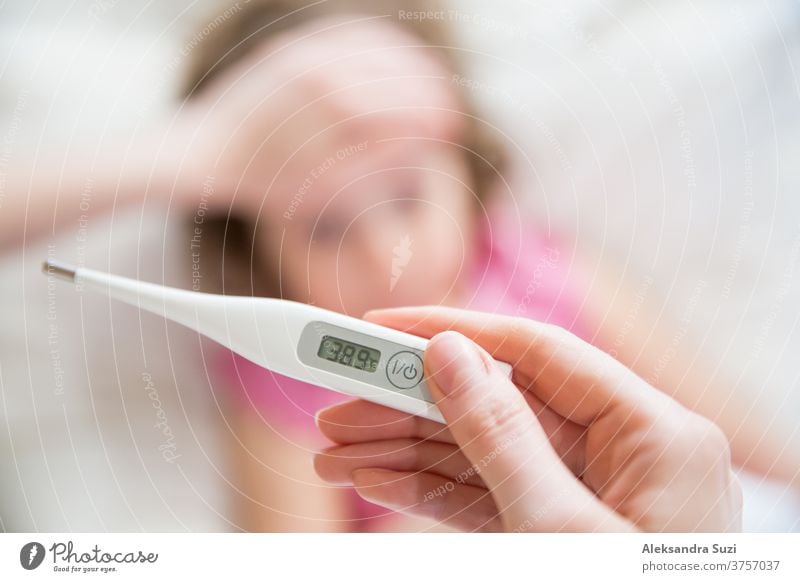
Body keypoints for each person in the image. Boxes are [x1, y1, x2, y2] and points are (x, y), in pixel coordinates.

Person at [314, 306, 743, 532]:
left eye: (407, 199)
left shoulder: (534, 261)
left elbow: (691, 424)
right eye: (324, 229)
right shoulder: (286, 393)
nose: (379, 249)